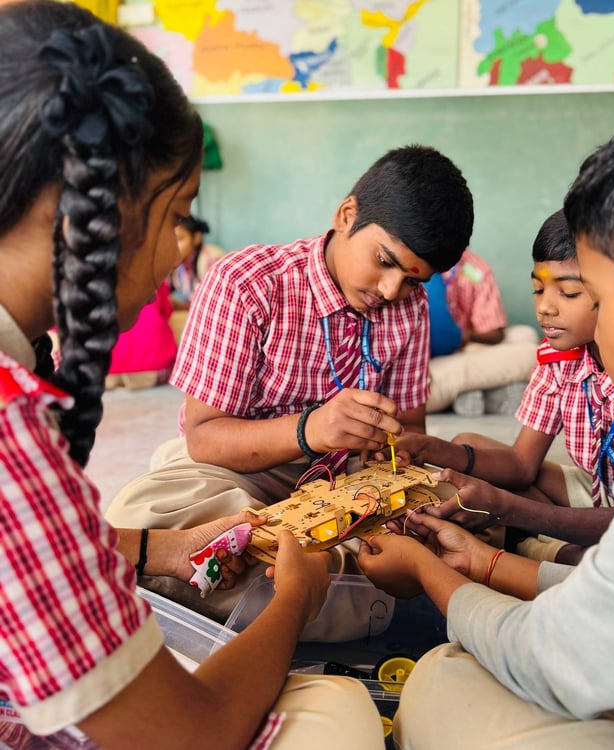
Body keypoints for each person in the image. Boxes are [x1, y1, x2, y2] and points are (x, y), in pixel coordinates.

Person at [0, 2, 384, 748]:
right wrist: (295, 601)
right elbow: (189, 733)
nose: (183, 249)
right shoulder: (14, 432)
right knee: (338, 715)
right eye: (176, 214)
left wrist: (164, 549)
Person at [359, 85, 614, 750]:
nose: (560, 312)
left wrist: (433, 573)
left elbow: (557, 660)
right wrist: (485, 559)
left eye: (598, 297)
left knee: (449, 679)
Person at [104, 144, 474, 543]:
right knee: (145, 514)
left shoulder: (411, 307)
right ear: (346, 215)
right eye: (384, 261)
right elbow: (203, 438)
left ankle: (297, 555)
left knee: (460, 507)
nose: (390, 290)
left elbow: (410, 427)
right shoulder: (246, 283)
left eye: (413, 280)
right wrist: (311, 429)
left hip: (349, 476)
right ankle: (325, 555)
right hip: (236, 472)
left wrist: (393, 453)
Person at [395, 209, 614, 564]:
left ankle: (547, 551)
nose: (545, 307)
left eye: (568, 293)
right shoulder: (559, 359)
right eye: (538, 289)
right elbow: (521, 464)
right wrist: (431, 448)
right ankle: (556, 551)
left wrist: (509, 509)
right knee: (469, 446)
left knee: (505, 507)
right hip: (602, 491)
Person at [425, 247, 539, 416]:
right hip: (418, 384)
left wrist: (464, 337)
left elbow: (493, 333)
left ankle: (472, 391)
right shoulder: (421, 266)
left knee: (525, 335)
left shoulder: (472, 267)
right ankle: (481, 392)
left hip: (444, 354)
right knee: (533, 355)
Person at [105, 279, 178, 389]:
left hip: (108, 369)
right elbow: (167, 311)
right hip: (152, 367)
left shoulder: (101, 278)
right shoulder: (154, 275)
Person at [168, 213, 225, 341]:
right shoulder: (178, 263)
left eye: (179, 239)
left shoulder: (211, 261)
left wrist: (181, 306)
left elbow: (216, 310)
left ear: (197, 238)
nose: (173, 245)